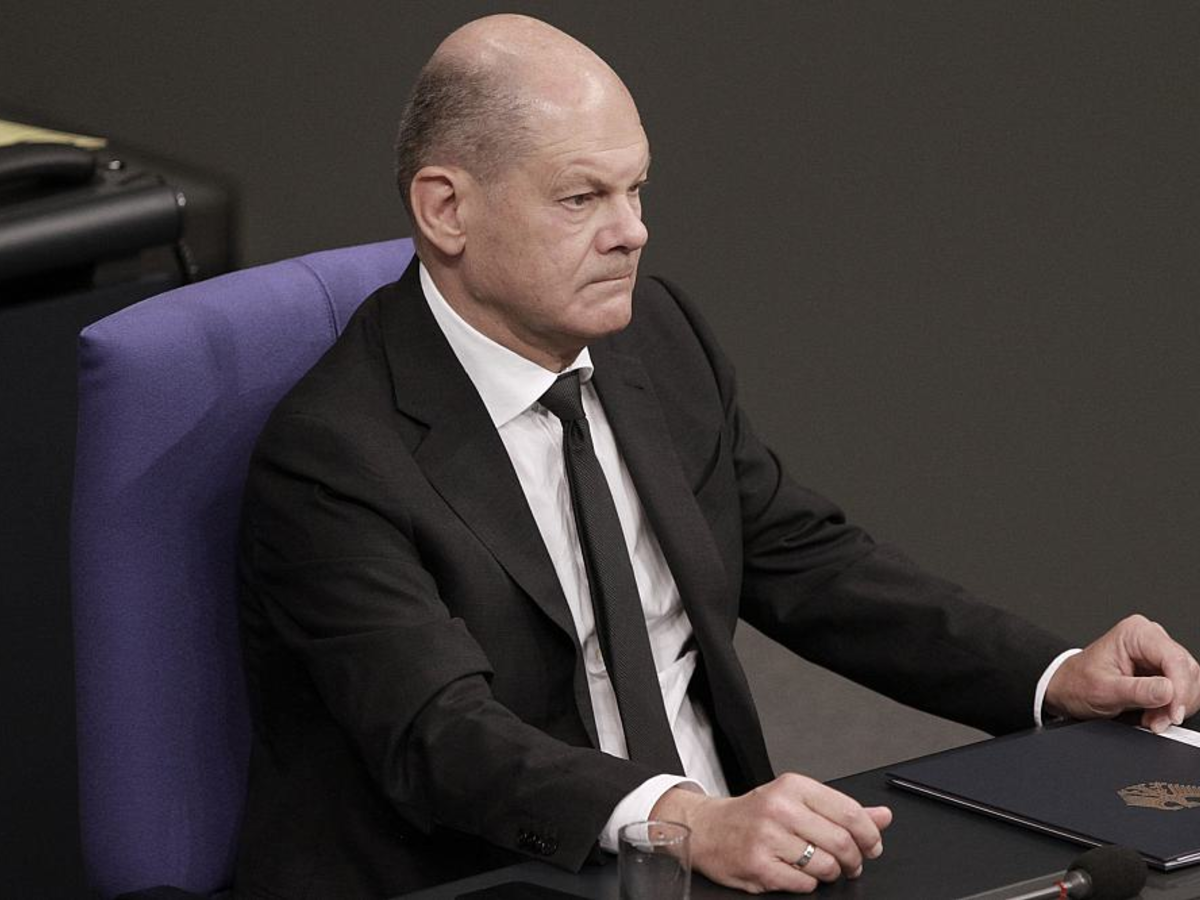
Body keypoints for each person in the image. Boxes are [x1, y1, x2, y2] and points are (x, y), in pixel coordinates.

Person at [233, 14, 1200, 899]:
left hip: (729, 860)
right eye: (582, 198)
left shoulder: (652, 338)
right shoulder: (336, 455)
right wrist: (683, 818)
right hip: (501, 869)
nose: (632, 233)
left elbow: (808, 562)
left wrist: (1053, 676)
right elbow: (442, 736)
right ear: (446, 209)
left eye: (636, 189)